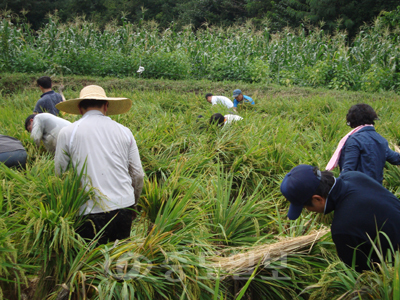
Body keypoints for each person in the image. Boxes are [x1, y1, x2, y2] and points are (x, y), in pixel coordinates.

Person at [54, 85, 144, 245]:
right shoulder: (125, 131)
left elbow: (60, 175)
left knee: (92, 263)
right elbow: (137, 174)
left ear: (80, 109)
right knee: (121, 260)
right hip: (123, 206)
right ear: (106, 106)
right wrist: (133, 205)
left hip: (88, 211)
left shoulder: (68, 132)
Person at [280, 164, 400, 272]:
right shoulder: (354, 176)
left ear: (317, 199)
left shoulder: (342, 229)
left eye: (305, 206)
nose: (308, 210)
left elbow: (364, 276)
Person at [326, 103, 400, 184]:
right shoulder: (381, 140)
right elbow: (396, 159)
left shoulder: (354, 140)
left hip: (357, 190)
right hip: (376, 190)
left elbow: (348, 170)